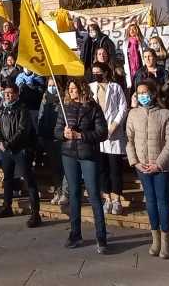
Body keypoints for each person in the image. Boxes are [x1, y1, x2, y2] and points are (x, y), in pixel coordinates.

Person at [126, 79, 169, 259]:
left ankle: (166, 239)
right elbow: (129, 141)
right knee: (150, 202)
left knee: (163, 202)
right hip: (142, 167)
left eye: (145, 92)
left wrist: (159, 163)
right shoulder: (133, 114)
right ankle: (155, 237)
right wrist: (135, 162)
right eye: (139, 93)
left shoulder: (166, 114)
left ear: (153, 94)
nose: (142, 96)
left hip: (161, 168)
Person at [54, 78, 109, 254]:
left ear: (82, 89)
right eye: (69, 89)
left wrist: (81, 136)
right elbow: (56, 130)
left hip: (88, 155)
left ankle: (101, 236)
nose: (71, 92)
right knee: (74, 194)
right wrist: (63, 134)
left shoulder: (93, 108)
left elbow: (102, 133)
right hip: (69, 155)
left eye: (74, 89)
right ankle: (75, 233)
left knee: (93, 194)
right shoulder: (64, 108)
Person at [0, 82, 42, 228]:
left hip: (21, 150)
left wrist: (7, 144)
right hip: (6, 150)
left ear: (16, 94)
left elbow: (22, 129)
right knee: (7, 179)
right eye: (5, 93)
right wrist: (0, 141)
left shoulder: (22, 109)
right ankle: (7, 207)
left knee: (29, 180)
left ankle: (35, 214)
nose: (7, 95)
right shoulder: (1, 109)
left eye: (10, 93)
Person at [90, 62, 129, 215]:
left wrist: (115, 124)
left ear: (105, 72)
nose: (96, 74)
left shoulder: (115, 87)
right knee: (102, 170)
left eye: (98, 72)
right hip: (97, 134)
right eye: (93, 72)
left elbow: (122, 107)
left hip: (114, 133)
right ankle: (107, 198)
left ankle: (116, 199)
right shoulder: (91, 87)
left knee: (115, 169)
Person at [39, 77, 67, 204]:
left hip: (61, 138)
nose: (52, 88)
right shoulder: (45, 98)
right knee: (55, 168)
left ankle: (66, 192)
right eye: (50, 85)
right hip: (49, 137)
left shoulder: (64, 100)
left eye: (54, 85)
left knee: (64, 167)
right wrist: (41, 133)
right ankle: (58, 190)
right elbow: (41, 116)